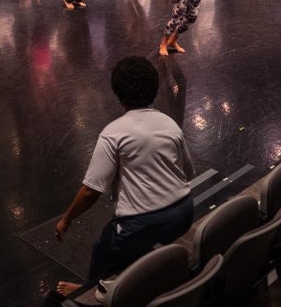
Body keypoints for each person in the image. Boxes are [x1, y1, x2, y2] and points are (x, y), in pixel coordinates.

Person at [54, 57, 195, 298]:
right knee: (138, 244)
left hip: (144, 223)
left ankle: (94, 292)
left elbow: (91, 192)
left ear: (118, 96)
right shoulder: (169, 123)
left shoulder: (113, 134)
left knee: (104, 248)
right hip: (184, 213)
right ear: (154, 89)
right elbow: (188, 172)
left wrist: (66, 219)